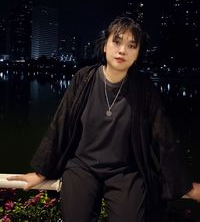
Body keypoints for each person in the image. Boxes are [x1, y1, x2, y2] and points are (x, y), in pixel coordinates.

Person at [8, 16, 200, 222]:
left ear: (137, 54)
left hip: (125, 170)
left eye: (131, 45)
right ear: (105, 46)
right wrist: (40, 173)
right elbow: (60, 125)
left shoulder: (145, 90)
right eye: (116, 42)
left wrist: (185, 187)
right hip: (82, 166)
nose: (122, 51)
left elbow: (164, 138)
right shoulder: (84, 79)